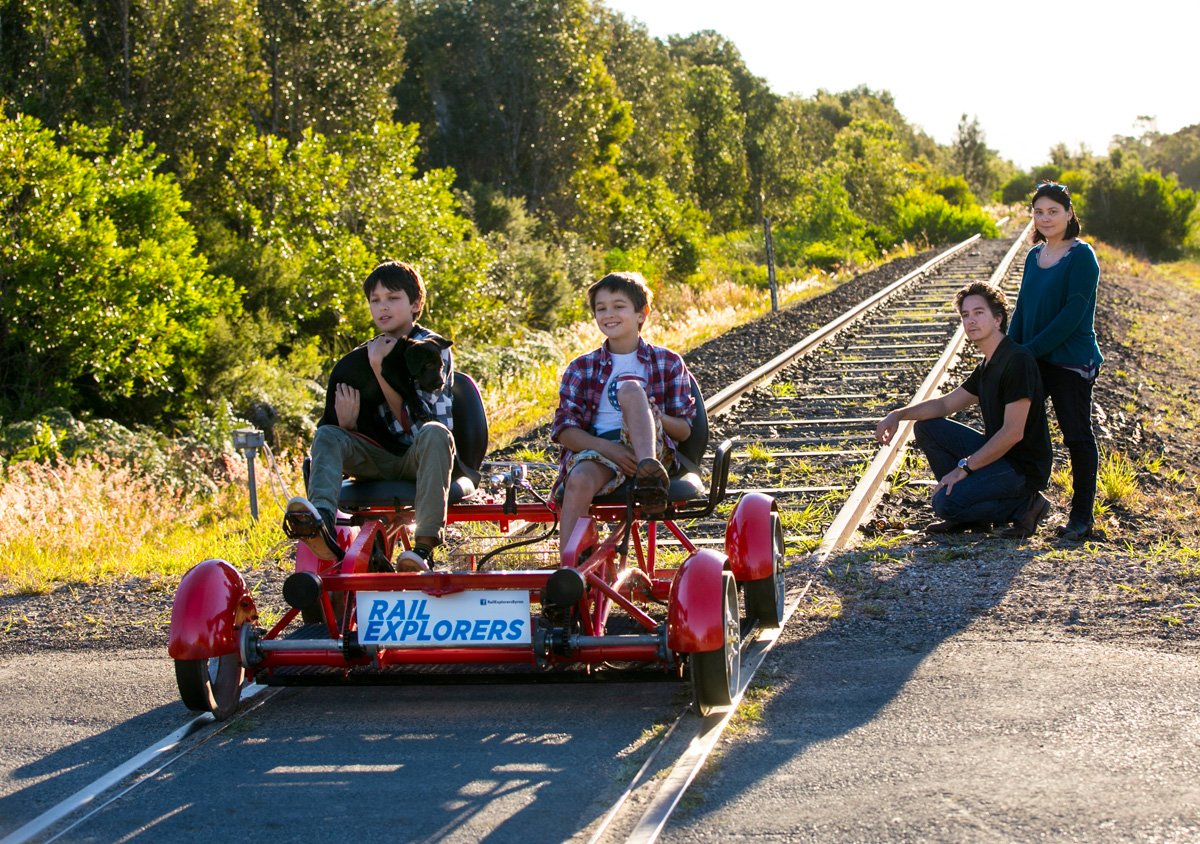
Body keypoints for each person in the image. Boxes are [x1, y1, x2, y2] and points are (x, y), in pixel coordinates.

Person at [283, 260, 455, 571]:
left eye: (392, 298)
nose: (382, 307)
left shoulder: (432, 350)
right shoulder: (366, 354)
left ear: (416, 303)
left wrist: (381, 370)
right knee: (328, 435)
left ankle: (424, 550)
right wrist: (348, 428)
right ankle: (321, 520)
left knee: (435, 433)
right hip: (376, 456)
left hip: (420, 456)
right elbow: (354, 424)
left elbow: (419, 423)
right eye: (375, 300)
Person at [875, 281, 1053, 538]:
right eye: (965, 315)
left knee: (944, 504)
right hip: (1001, 460)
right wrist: (898, 414)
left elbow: (1013, 433)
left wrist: (964, 468)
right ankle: (970, 511)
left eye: (979, 313)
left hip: (1021, 469)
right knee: (927, 426)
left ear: (998, 319)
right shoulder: (987, 366)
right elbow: (945, 404)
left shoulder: (1017, 361)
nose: (971, 321)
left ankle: (1027, 505)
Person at [551, 271, 697, 553]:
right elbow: (565, 430)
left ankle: (649, 477)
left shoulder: (667, 362)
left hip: (653, 450)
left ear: (642, 314)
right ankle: (570, 571)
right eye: (601, 308)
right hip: (601, 450)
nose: (609, 314)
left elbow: (684, 429)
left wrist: (653, 413)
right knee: (579, 479)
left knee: (630, 390)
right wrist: (610, 449)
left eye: (619, 306)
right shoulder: (581, 367)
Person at [1009, 182, 1104, 541]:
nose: (1045, 218)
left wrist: (1028, 350)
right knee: (1021, 430)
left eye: (1053, 211)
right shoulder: (1034, 257)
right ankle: (1029, 505)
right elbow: (1022, 310)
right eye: (1039, 211)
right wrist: (1010, 351)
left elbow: (1072, 315)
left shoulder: (1082, 256)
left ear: (1069, 213)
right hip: (1034, 357)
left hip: (1069, 361)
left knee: (1076, 435)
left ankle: (1082, 517)